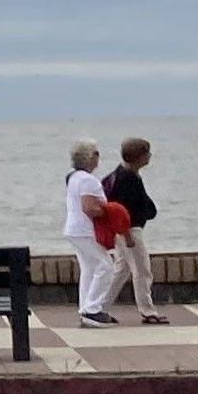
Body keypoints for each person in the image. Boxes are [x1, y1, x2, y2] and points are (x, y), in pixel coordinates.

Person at [103, 137, 167, 324]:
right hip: (130, 230)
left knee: (121, 270)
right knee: (142, 269)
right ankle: (147, 310)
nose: (149, 157)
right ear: (138, 157)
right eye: (147, 153)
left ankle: (100, 306)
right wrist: (127, 235)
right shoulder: (127, 179)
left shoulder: (121, 174)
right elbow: (123, 210)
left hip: (125, 231)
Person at [62, 139, 119, 328]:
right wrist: (110, 212)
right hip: (85, 230)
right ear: (89, 157)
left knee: (89, 267)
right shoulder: (88, 180)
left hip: (74, 229)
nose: (98, 158)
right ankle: (93, 309)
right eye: (96, 153)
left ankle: (86, 307)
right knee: (106, 265)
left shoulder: (74, 177)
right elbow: (89, 207)